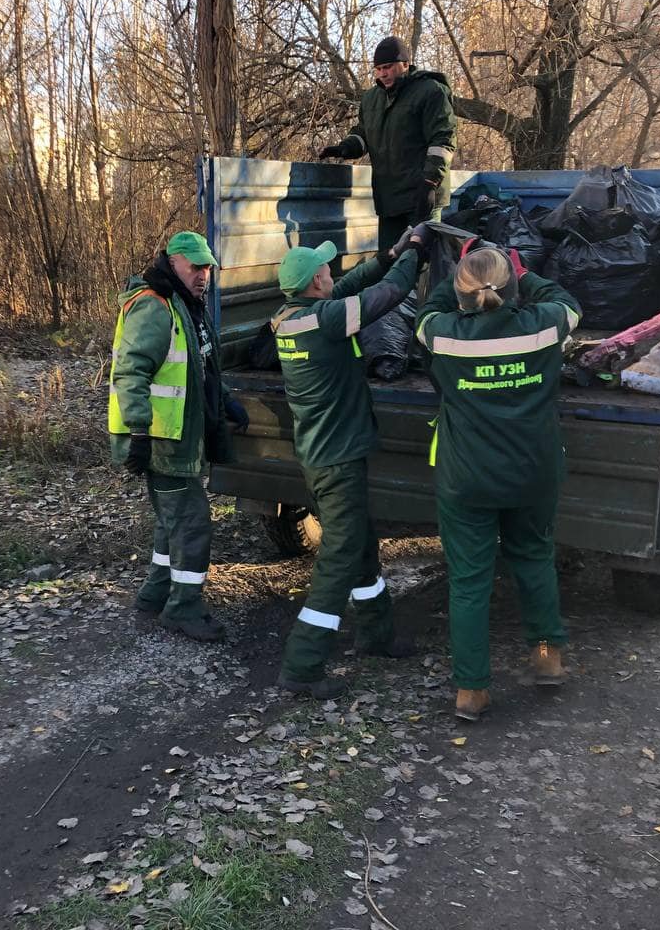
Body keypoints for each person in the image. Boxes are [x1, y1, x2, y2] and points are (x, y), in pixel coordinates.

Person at [414, 246, 582, 721]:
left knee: (468, 582)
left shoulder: (443, 334)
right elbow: (568, 301)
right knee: (533, 557)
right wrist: (524, 274)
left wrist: (458, 270)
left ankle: (471, 691)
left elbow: (427, 312)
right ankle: (547, 655)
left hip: (467, 477)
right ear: (509, 287)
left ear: (461, 293)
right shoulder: (544, 325)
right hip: (533, 471)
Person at [271, 229, 427, 699]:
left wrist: (390, 254)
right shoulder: (325, 321)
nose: (331, 273)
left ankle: (377, 634)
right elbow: (389, 295)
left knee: (360, 543)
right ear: (315, 283)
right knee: (339, 558)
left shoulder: (293, 317)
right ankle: (302, 662)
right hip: (337, 459)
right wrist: (416, 253)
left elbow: (356, 282)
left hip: (322, 454)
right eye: (325, 270)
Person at [109, 231, 248, 643]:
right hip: (160, 440)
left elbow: (197, 366)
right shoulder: (154, 306)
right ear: (173, 262)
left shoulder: (186, 305)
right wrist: (138, 433)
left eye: (207, 267)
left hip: (178, 437)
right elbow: (130, 372)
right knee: (191, 523)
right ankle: (183, 608)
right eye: (195, 267)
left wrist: (223, 401)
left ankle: (155, 596)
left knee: (172, 523)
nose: (204, 275)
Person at [319, 36, 457, 253]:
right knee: (388, 261)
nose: (383, 74)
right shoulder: (371, 99)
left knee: (421, 263)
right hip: (389, 199)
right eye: (378, 69)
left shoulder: (431, 91)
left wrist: (430, 183)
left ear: (405, 63)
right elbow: (364, 134)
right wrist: (346, 147)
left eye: (388, 67)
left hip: (422, 196)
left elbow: (443, 140)